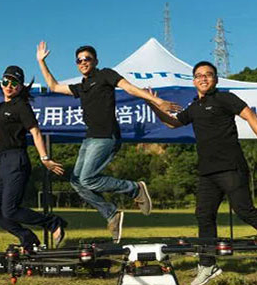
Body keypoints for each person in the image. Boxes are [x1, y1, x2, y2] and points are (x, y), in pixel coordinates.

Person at [148, 60, 257, 285]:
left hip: (230, 166)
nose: (203, 78)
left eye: (208, 74)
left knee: (245, 210)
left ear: (215, 79)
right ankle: (208, 264)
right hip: (207, 171)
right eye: (199, 75)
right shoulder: (194, 107)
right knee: (204, 215)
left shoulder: (225, 98)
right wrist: (153, 104)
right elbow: (173, 123)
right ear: (194, 81)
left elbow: (250, 116)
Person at [36, 41, 181, 243]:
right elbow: (53, 86)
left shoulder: (105, 75)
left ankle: (135, 189)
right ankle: (111, 214)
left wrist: (157, 101)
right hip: (90, 138)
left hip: (105, 136)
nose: (83, 62)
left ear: (95, 61)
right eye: (79, 60)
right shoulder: (82, 86)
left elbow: (129, 88)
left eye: (87, 59)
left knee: (87, 179)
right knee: (76, 182)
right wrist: (41, 62)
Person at [0, 65, 67, 250]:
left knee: (10, 210)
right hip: (3, 162)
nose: (9, 86)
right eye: (6, 81)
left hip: (17, 160)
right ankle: (27, 237)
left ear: (21, 87)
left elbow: (35, 132)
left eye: (14, 83)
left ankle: (53, 222)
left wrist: (44, 158)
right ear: (1, 83)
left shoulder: (21, 106)